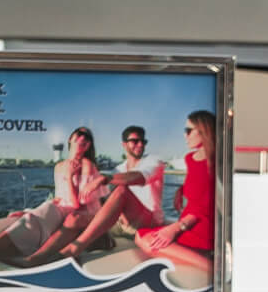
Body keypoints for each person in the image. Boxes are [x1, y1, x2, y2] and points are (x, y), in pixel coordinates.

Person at [0, 127, 107, 269]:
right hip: (63, 207)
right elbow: (59, 197)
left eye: (87, 137)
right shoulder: (59, 166)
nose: (83, 138)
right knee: (30, 217)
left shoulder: (86, 165)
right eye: (80, 134)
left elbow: (78, 204)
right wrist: (32, 210)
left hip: (83, 211)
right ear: (70, 139)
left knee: (42, 214)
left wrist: (70, 176)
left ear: (89, 145)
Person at [57, 124, 166, 260]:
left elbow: (138, 177)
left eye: (143, 141)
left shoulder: (154, 161)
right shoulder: (118, 169)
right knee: (76, 218)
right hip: (120, 223)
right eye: (135, 141)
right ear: (124, 144)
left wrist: (104, 178)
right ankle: (47, 255)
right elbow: (105, 199)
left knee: (122, 189)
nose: (140, 145)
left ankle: (75, 248)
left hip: (147, 221)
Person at [137, 109, 215, 276]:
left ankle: (210, 268)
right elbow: (199, 188)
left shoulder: (214, 163)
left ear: (204, 131)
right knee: (140, 235)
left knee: (146, 239)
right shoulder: (190, 159)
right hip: (187, 224)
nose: (184, 136)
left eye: (188, 131)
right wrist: (182, 189)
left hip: (199, 226)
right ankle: (193, 258)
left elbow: (204, 208)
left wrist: (175, 228)